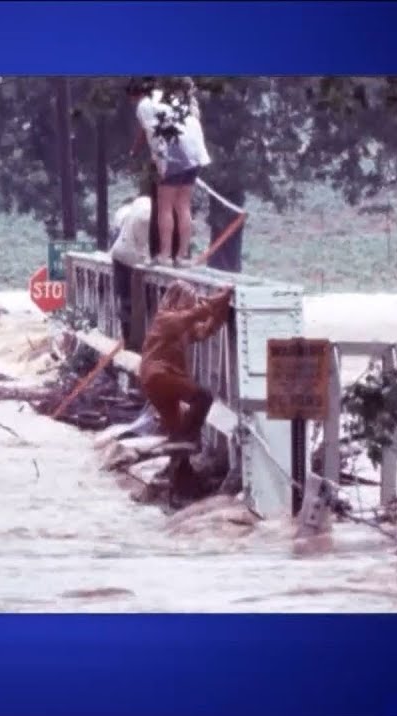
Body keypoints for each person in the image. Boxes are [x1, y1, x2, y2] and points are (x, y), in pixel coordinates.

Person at [128, 78, 212, 267]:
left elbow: (151, 133)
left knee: (165, 206)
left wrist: (157, 162)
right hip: (195, 151)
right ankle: (182, 256)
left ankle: (164, 256)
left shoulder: (143, 105)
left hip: (174, 152)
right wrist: (135, 151)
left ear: (134, 94)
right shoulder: (167, 97)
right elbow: (145, 131)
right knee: (183, 205)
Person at [138, 281, 232, 448]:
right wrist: (222, 296)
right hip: (160, 375)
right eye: (188, 300)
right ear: (177, 299)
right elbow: (198, 313)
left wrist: (221, 309)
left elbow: (205, 330)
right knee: (203, 397)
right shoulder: (166, 318)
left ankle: (181, 460)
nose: (191, 304)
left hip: (154, 378)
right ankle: (188, 440)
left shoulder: (178, 323)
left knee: (176, 427)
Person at [109, 195, 152, 351]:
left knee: (125, 299)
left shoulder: (134, 208)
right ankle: (135, 342)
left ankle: (127, 339)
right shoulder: (149, 213)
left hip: (119, 254)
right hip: (132, 258)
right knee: (136, 301)